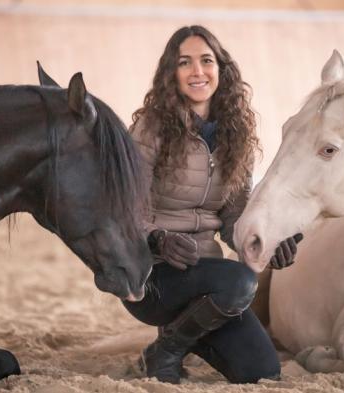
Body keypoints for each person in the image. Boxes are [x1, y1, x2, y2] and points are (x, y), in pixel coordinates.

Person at [124, 25, 302, 384]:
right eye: (184, 62)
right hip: (151, 275)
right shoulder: (150, 128)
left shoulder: (236, 136)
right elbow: (124, 207)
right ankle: (169, 350)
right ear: (170, 73)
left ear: (222, 69)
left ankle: (171, 341)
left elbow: (235, 215)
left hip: (209, 282)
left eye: (206, 61)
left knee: (261, 371)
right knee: (240, 281)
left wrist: (269, 241)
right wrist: (156, 239)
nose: (197, 71)